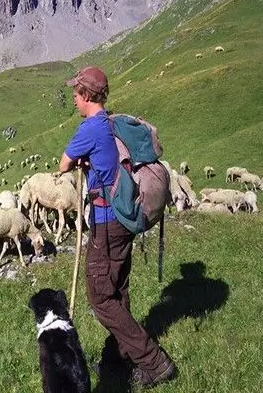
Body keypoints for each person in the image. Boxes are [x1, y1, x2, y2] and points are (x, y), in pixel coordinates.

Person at [58, 66, 176, 389]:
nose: (73, 97)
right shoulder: (109, 124)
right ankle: (118, 358)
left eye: (76, 92)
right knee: (118, 289)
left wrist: (82, 160)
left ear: (85, 95)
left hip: (106, 224)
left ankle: (154, 361)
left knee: (100, 299)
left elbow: (63, 163)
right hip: (122, 221)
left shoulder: (91, 128)